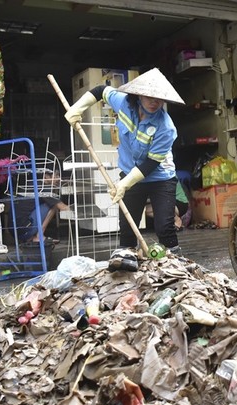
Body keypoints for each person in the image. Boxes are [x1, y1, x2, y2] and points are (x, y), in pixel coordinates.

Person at [64, 68, 185, 262]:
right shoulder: (123, 104)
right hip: (129, 171)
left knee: (164, 226)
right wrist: (77, 108)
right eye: (149, 97)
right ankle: (126, 262)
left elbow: (152, 162)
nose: (154, 102)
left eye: (159, 99)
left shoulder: (166, 127)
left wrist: (124, 184)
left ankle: (176, 264)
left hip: (160, 177)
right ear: (139, 94)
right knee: (128, 228)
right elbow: (100, 91)